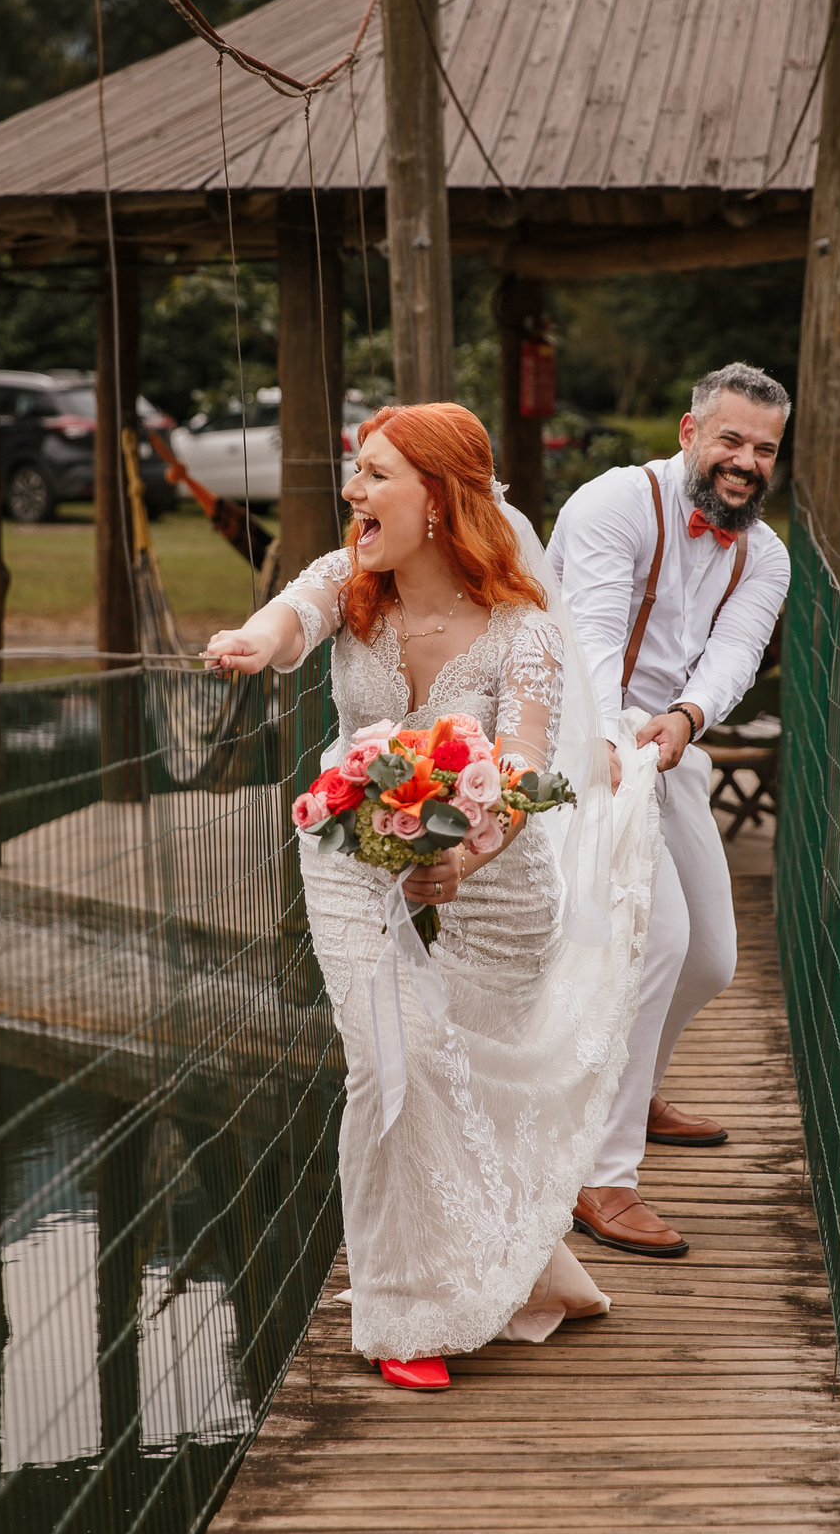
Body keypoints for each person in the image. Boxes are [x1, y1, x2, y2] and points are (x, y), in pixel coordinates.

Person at [204, 402, 660, 1390]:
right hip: (348, 838)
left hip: (495, 866)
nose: (353, 492)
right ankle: (406, 1312)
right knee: (392, 1062)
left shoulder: (523, 632)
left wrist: (467, 858)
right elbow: (290, 618)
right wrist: (251, 638)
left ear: (441, 499)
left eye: (376, 475)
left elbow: (525, 769)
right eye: (357, 470)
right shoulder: (349, 580)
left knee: (485, 1088)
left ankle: (518, 1266)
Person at [548, 363, 791, 1258]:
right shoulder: (614, 504)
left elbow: (734, 656)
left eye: (765, 449)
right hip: (578, 736)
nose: (746, 462)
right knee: (657, 941)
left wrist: (686, 719)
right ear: (690, 433)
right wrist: (604, 744)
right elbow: (592, 635)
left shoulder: (766, 554)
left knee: (715, 957)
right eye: (731, 439)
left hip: (669, 744)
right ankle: (600, 1175)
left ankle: (638, 1084)